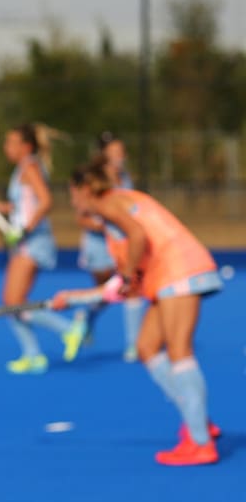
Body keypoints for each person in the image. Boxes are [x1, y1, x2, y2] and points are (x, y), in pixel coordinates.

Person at [55, 160, 222, 466]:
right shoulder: (117, 209)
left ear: (85, 189)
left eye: (72, 193)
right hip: (167, 276)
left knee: (179, 352)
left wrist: (129, 276)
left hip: (179, 271)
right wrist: (74, 298)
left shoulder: (108, 204)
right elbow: (121, 285)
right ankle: (197, 417)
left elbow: (137, 239)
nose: (72, 201)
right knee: (146, 347)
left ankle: (201, 442)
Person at [0, 123, 87, 374]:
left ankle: (68, 329)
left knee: (12, 302)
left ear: (25, 146)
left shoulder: (29, 166)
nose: (7, 147)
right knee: (13, 302)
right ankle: (33, 355)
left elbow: (45, 201)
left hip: (34, 241)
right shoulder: (23, 168)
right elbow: (24, 205)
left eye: (11, 142)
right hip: (27, 240)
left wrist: (23, 230)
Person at [74, 131, 145, 361]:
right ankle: (86, 319)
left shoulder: (125, 178)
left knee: (131, 286)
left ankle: (134, 345)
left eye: (121, 151)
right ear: (103, 154)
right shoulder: (94, 180)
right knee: (106, 293)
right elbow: (82, 217)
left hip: (123, 244)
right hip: (99, 246)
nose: (119, 156)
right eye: (114, 151)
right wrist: (105, 227)